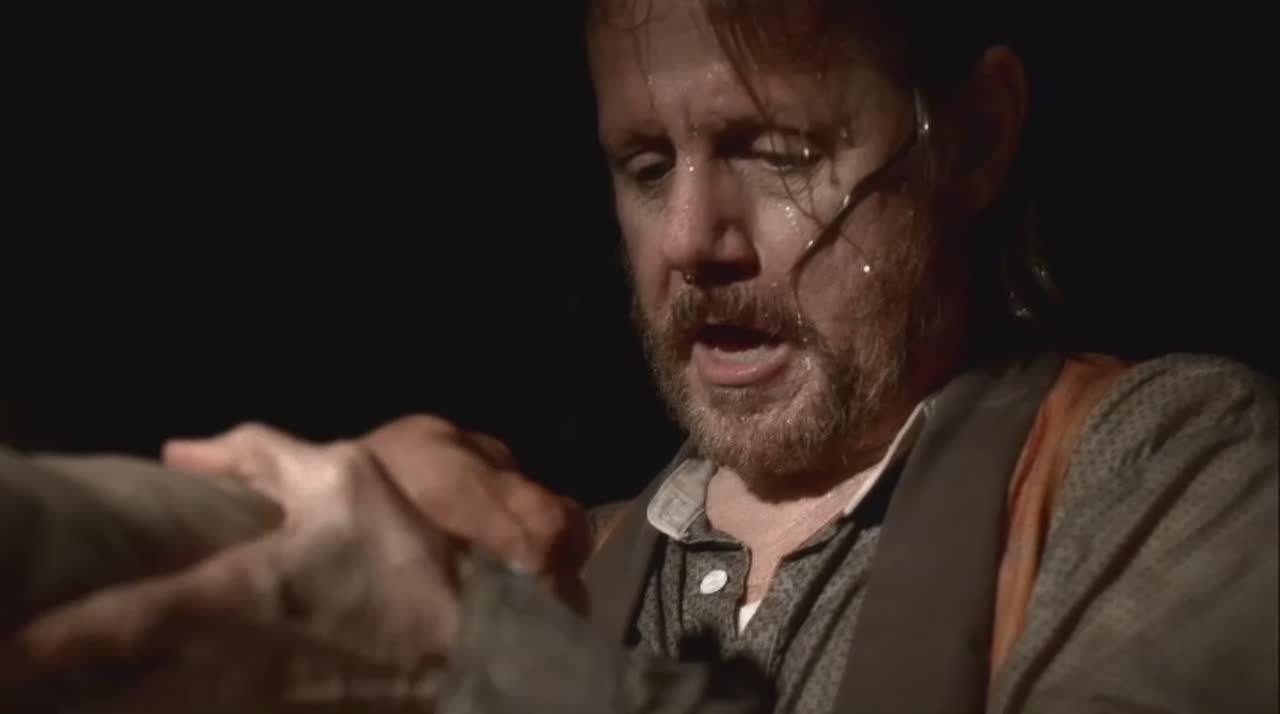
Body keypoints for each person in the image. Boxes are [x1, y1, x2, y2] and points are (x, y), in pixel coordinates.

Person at [2, 0, 1276, 712]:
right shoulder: (578, 560)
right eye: (645, 165)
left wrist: (465, 658)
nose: (687, 242)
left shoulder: (1169, 473)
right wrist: (323, 521)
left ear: (978, 139)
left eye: (775, 152)